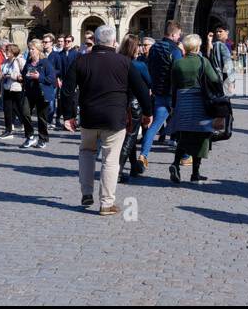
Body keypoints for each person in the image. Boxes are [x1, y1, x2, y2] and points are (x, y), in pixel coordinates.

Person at [59, 25, 152, 215]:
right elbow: (142, 90)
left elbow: (67, 91)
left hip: (89, 117)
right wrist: (147, 113)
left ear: (96, 40)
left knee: (86, 152)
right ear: (113, 42)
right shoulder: (124, 63)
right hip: (114, 118)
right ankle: (106, 203)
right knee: (110, 160)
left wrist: (67, 115)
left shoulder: (81, 61)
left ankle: (86, 192)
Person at [168, 34, 224, 183]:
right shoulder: (202, 61)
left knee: (185, 136)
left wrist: (173, 106)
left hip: (182, 102)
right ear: (197, 47)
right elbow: (214, 80)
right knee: (202, 137)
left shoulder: (178, 63)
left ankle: (175, 164)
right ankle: (195, 173)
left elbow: (173, 86)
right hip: (200, 102)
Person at [141, 19, 184, 166]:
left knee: (154, 127)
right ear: (173, 34)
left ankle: (143, 155)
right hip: (173, 95)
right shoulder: (175, 51)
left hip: (159, 92)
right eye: (178, 35)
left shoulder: (154, 48)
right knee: (182, 125)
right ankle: (184, 156)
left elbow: (151, 69)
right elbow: (178, 74)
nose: (179, 38)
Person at [118, 35, 150, 182]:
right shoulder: (139, 65)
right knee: (130, 137)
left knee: (128, 136)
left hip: (120, 103)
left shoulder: (117, 61)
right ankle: (118, 170)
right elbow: (149, 83)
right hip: (134, 104)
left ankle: (134, 167)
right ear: (134, 48)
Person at [0, 43, 31, 142]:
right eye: (6, 50)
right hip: (7, 88)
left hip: (17, 88)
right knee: (7, 110)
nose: (6, 52)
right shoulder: (5, 61)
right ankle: (8, 130)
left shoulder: (20, 60)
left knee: (21, 110)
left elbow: (25, 74)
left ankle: (28, 129)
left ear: (13, 52)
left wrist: (13, 76)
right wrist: (1, 75)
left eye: (8, 50)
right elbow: (1, 72)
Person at [22, 40, 51, 148]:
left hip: (42, 93)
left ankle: (43, 139)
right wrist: (22, 77)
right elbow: (24, 74)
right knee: (24, 113)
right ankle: (30, 137)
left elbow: (51, 79)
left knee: (41, 117)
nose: (30, 51)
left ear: (38, 50)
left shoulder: (45, 62)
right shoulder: (28, 62)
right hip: (29, 92)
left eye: (32, 49)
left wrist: (39, 77)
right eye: (29, 49)